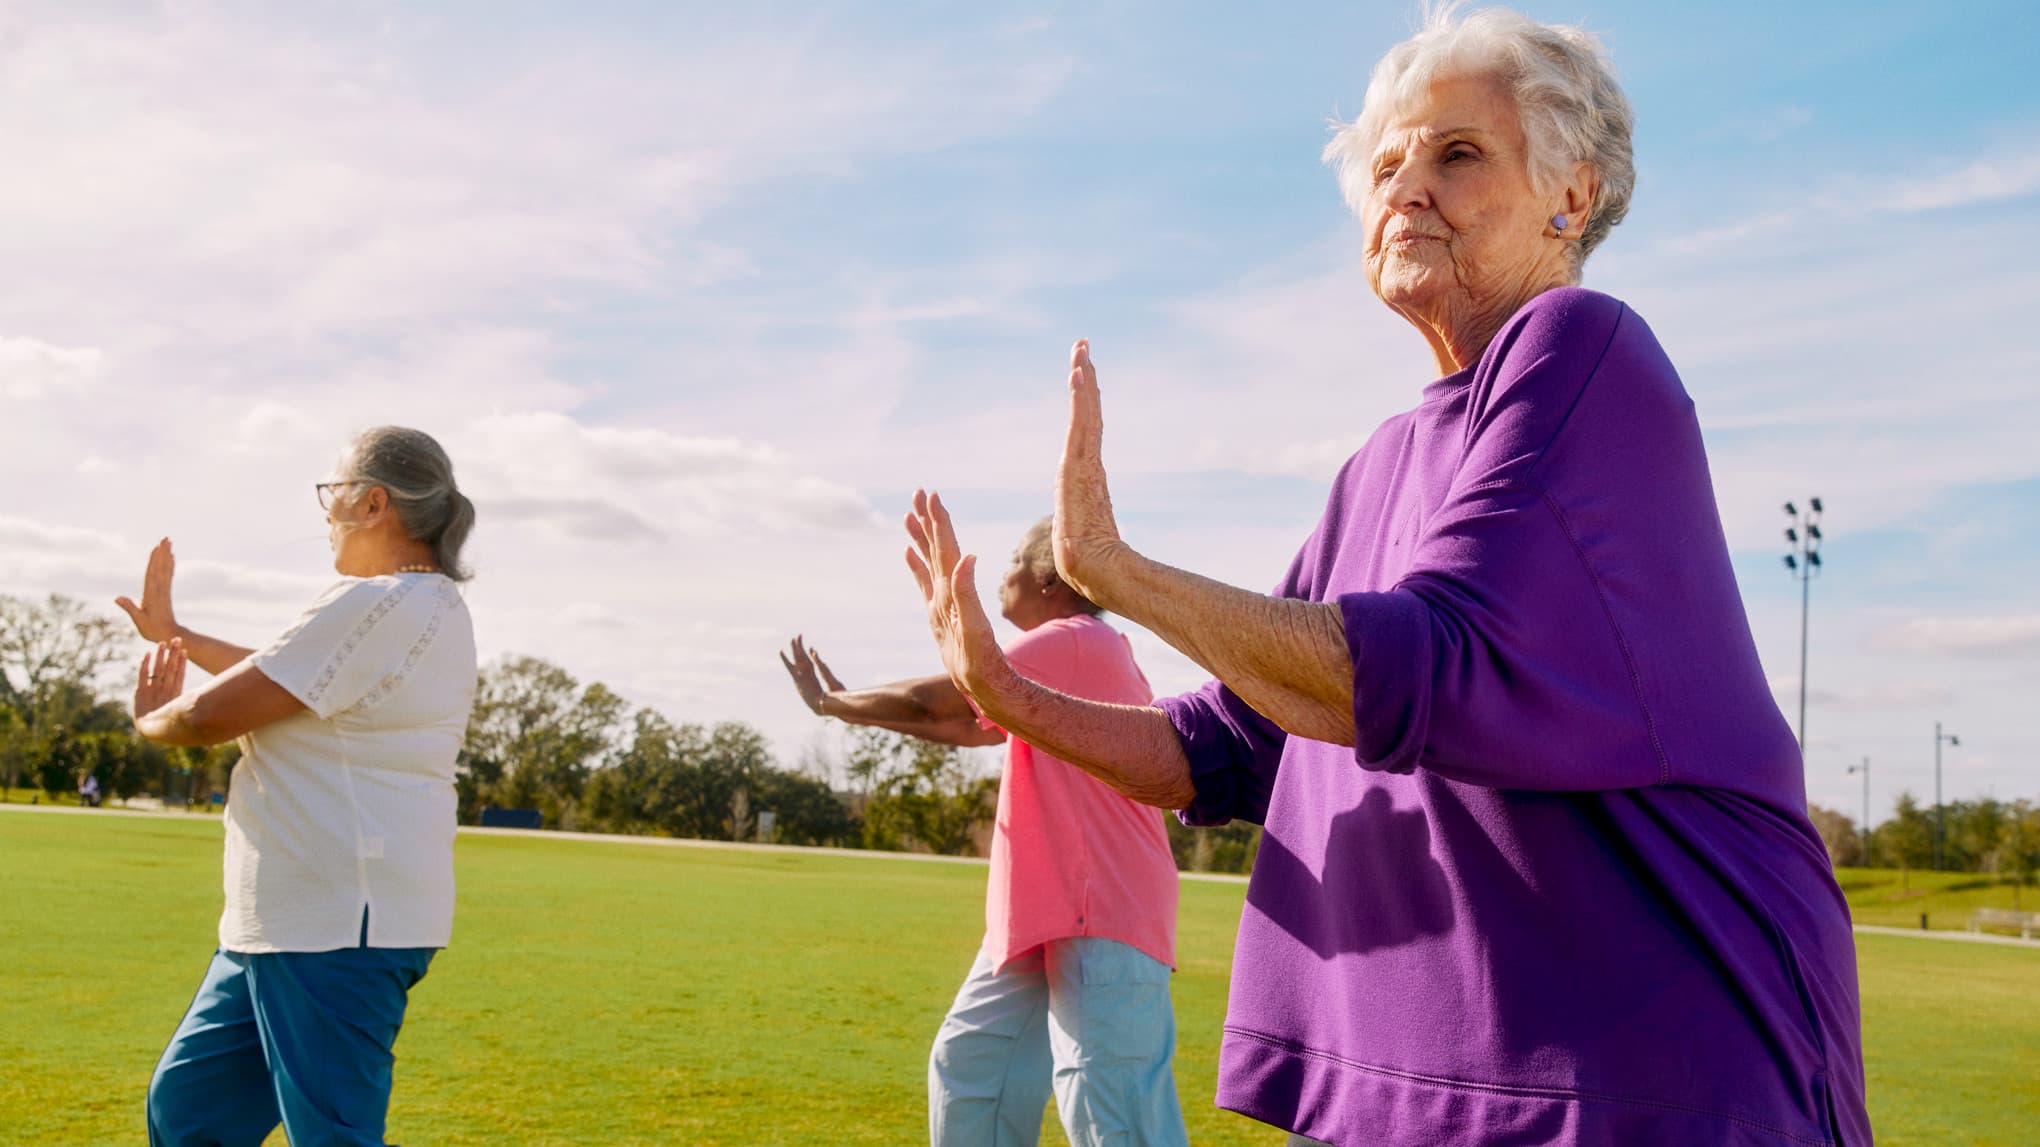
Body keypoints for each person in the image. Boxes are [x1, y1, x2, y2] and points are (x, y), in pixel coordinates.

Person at [899, 8, 1869, 1146]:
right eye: (1386, 164)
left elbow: (1423, 668)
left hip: (1649, 1076)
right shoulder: (1376, 466)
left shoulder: (1579, 349)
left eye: (1459, 155)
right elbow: (1227, 745)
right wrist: (1006, 697)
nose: (1405, 188)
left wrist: (1116, 570)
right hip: (1433, 1085)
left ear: (1573, 195)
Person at [781, 515, 1188, 1147]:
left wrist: (836, 704)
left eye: (1010, 563)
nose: (1001, 576)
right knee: (972, 1069)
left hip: (1101, 901)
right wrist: (848, 705)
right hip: (1043, 909)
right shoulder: (1062, 656)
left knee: (1110, 1105)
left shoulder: (1075, 640)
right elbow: (967, 720)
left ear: (1048, 579)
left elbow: (943, 702)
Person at [123, 426, 479, 1147]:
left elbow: (206, 713)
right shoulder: (414, 607)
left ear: (373, 502)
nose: (325, 513)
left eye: (333, 493)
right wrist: (178, 636)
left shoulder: (379, 601)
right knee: (189, 1113)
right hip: (291, 921)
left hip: (339, 925)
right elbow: (290, 672)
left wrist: (149, 722)